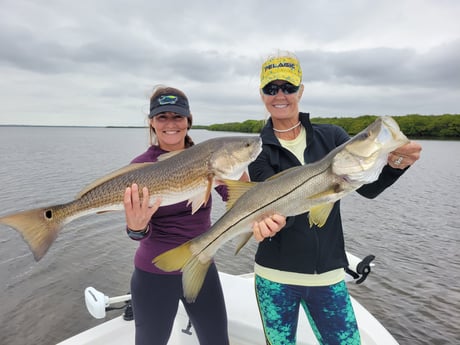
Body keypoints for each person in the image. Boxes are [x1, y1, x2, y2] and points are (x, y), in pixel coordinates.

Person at [248, 51, 422, 345]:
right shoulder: (256, 150)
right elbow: (276, 209)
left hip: (328, 276)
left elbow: (367, 188)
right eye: (271, 88)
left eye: (288, 87)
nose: (281, 95)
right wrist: (266, 223)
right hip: (274, 276)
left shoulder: (332, 136)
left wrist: (394, 164)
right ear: (262, 94)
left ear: (301, 90)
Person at [122, 85, 233, 345]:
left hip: (201, 265)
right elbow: (136, 231)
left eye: (177, 117)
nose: (170, 124)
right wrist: (136, 228)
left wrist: (236, 165)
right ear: (151, 122)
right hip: (154, 271)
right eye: (162, 117)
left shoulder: (211, 157)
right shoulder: (140, 167)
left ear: (189, 120)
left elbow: (237, 198)